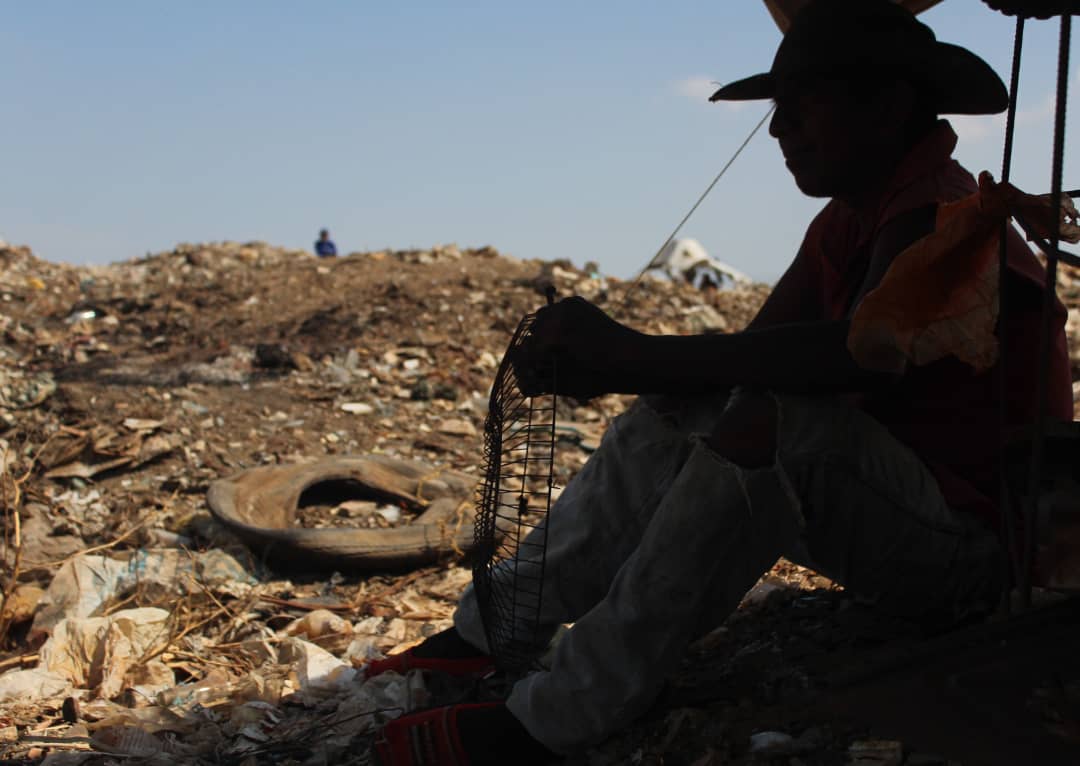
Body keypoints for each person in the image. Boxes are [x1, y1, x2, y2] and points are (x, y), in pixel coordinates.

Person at [372, 1, 1074, 763]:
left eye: (806, 104)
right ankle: (491, 629)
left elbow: (851, 355)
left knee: (780, 427)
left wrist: (632, 354)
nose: (780, 129)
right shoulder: (851, 219)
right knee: (685, 405)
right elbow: (757, 351)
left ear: (890, 105)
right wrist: (632, 366)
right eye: (779, 108)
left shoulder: (942, 214)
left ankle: (554, 719)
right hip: (893, 515)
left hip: (977, 559)